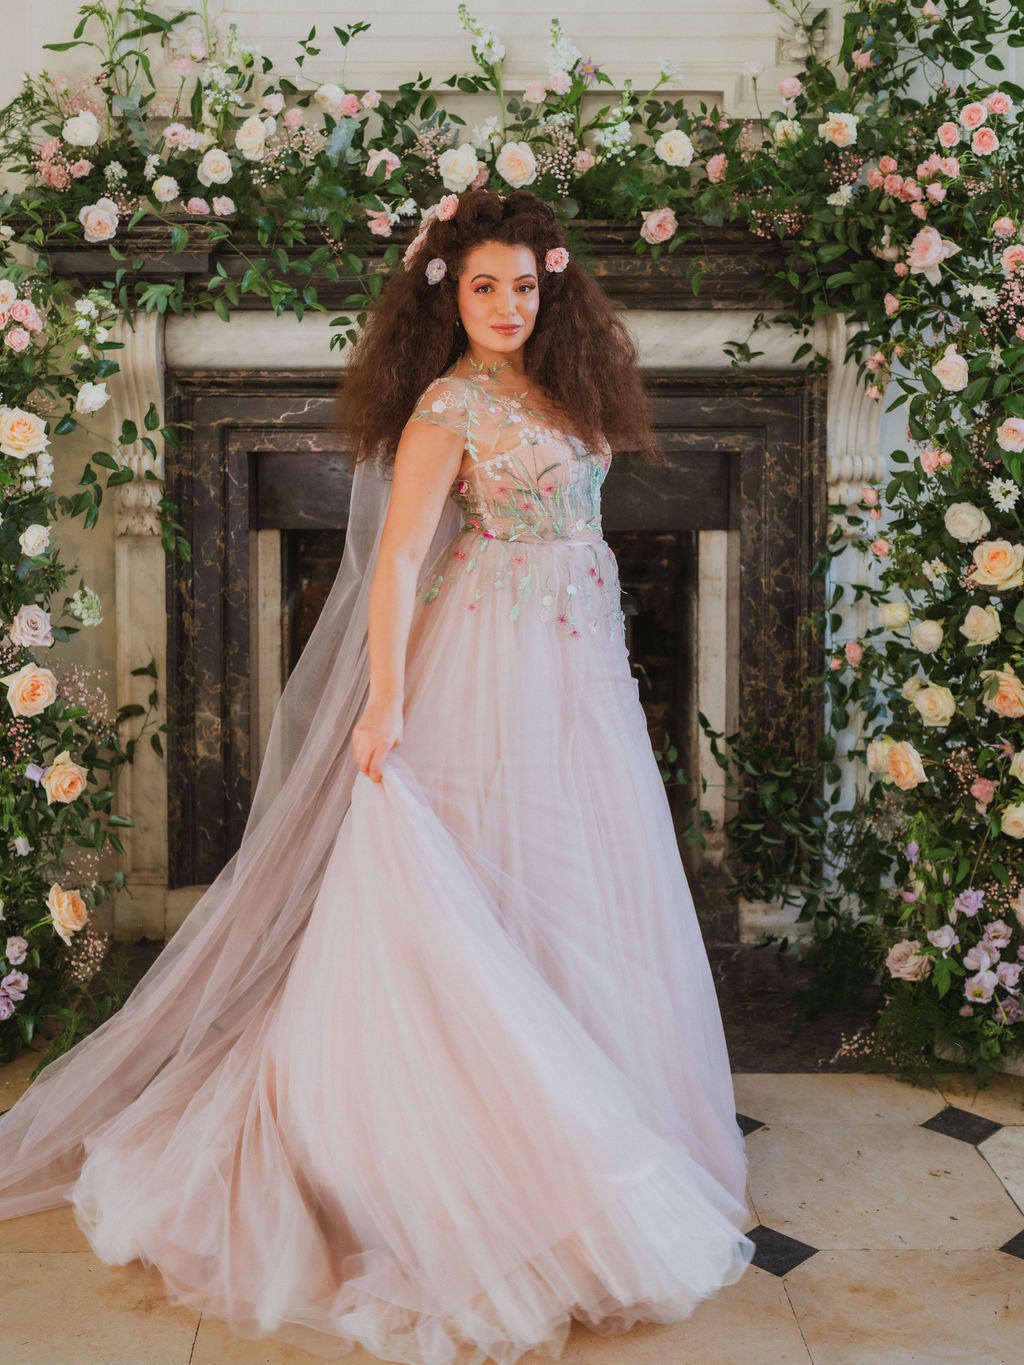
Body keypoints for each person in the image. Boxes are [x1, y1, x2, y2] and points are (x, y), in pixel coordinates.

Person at [0, 188, 753, 1362]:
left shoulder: (568, 387)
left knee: (571, 881)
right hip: (486, 664)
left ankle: (596, 1108)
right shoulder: (444, 407)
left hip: (578, 669)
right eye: (484, 287)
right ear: (447, 295)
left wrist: (611, 664)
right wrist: (388, 701)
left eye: (524, 285)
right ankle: (469, 1140)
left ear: (549, 286)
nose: (507, 306)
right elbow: (397, 564)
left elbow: (583, 532)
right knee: (457, 892)